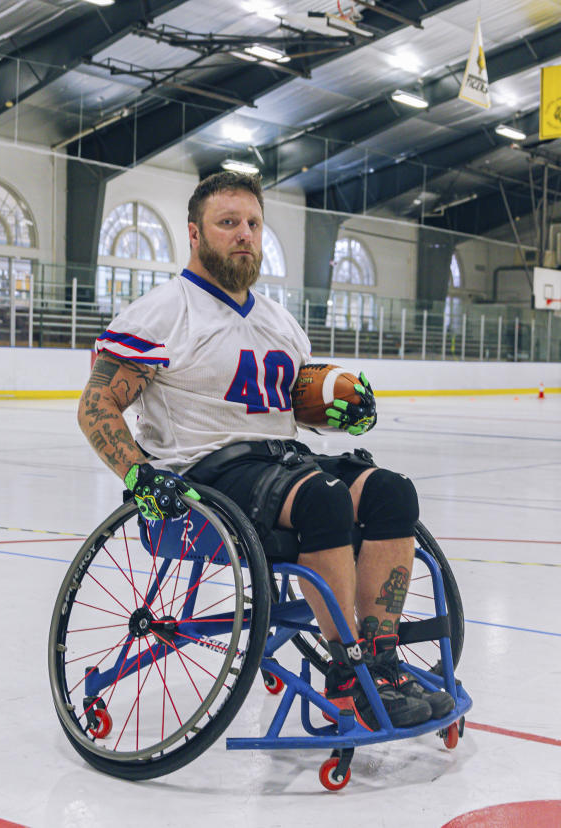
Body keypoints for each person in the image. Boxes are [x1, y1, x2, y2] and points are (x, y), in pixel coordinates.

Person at [77, 171, 453, 729]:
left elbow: (289, 407)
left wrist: (343, 413)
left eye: (252, 223)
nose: (244, 234)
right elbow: (96, 408)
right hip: (204, 475)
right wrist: (139, 477)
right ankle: (347, 672)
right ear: (195, 235)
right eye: (228, 223)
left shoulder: (280, 321)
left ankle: (381, 658)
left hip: (282, 462)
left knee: (392, 492)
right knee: (324, 500)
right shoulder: (160, 314)